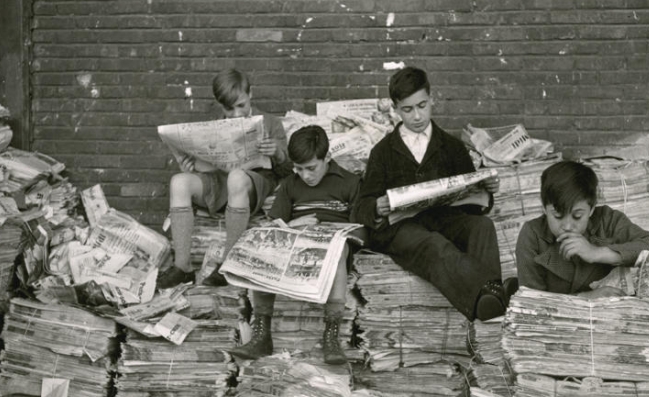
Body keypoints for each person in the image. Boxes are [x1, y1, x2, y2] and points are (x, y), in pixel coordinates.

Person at [352, 66, 515, 321]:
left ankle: (489, 302)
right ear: (395, 108)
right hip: (402, 228)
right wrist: (377, 207)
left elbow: (470, 202)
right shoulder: (382, 152)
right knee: (434, 245)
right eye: (407, 110)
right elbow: (361, 205)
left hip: (444, 220)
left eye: (422, 105)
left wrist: (484, 190)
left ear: (432, 99)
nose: (417, 116)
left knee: (482, 227)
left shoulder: (451, 146)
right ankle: (494, 295)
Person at [230, 125, 361, 365]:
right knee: (265, 247)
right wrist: (295, 224)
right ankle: (262, 334)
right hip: (295, 244)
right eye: (298, 169)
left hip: (332, 248)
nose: (305, 175)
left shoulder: (349, 183)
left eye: (311, 168)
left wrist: (331, 233)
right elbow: (274, 224)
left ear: (327, 158)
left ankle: (332, 335)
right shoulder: (290, 184)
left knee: (340, 248)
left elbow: (361, 228)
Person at [159, 68, 290, 288]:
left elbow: (287, 170)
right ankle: (182, 268)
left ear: (251, 94)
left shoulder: (269, 122)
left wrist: (276, 152)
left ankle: (228, 265)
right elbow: (205, 165)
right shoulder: (213, 125)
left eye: (241, 105)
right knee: (179, 182)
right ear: (220, 105)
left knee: (237, 177)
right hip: (219, 181)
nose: (236, 114)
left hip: (253, 183)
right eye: (229, 108)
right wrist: (189, 166)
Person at [516, 160, 649, 297]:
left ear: (591, 209)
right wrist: (584, 298)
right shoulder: (533, 235)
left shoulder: (607, 221)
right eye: (557, 216)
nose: (568, 226)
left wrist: (599, 253)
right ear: (544, 208)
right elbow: (531, 303)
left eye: (577, 216)